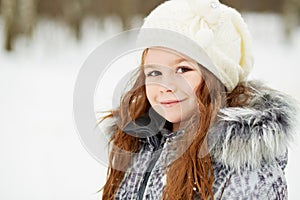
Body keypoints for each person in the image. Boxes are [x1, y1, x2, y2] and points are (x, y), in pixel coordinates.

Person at [100, 0, 298, 199]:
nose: (165, 86)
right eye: (154, 72)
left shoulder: (247, 171)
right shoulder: (139, 145)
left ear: (217, 79)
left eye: (183, 69)